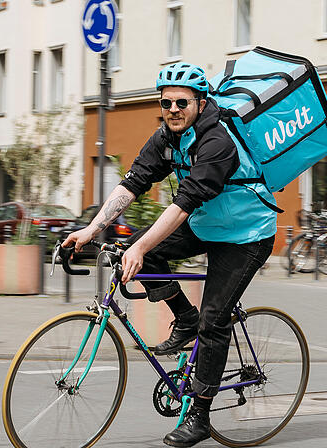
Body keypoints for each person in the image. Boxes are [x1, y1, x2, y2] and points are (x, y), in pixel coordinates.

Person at [63, 62, 276, 447]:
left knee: (216, 318)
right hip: (207, 225)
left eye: (182, 102)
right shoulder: (166, 136)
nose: (173, 109)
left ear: (199, 102)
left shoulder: (218, 141)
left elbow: (183, 202)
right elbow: (133, 183)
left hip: (247, 234)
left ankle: (199, 415)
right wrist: (93, 229)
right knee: (140, 254)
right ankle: (185, 318)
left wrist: (141, 247)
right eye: (166, 102)